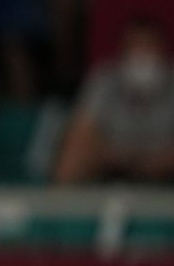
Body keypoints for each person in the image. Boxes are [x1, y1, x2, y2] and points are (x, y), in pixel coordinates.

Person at [56, 15, 174, 183]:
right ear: (122, 51)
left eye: (147, 46)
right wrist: (117, 157)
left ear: (162, 50)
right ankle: (63, 206)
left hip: (166, 172)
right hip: (112, 165)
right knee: (74, 150)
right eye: (134, 47)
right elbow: (82, 132)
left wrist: (156, 161)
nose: (141, 55)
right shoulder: (104, 79)